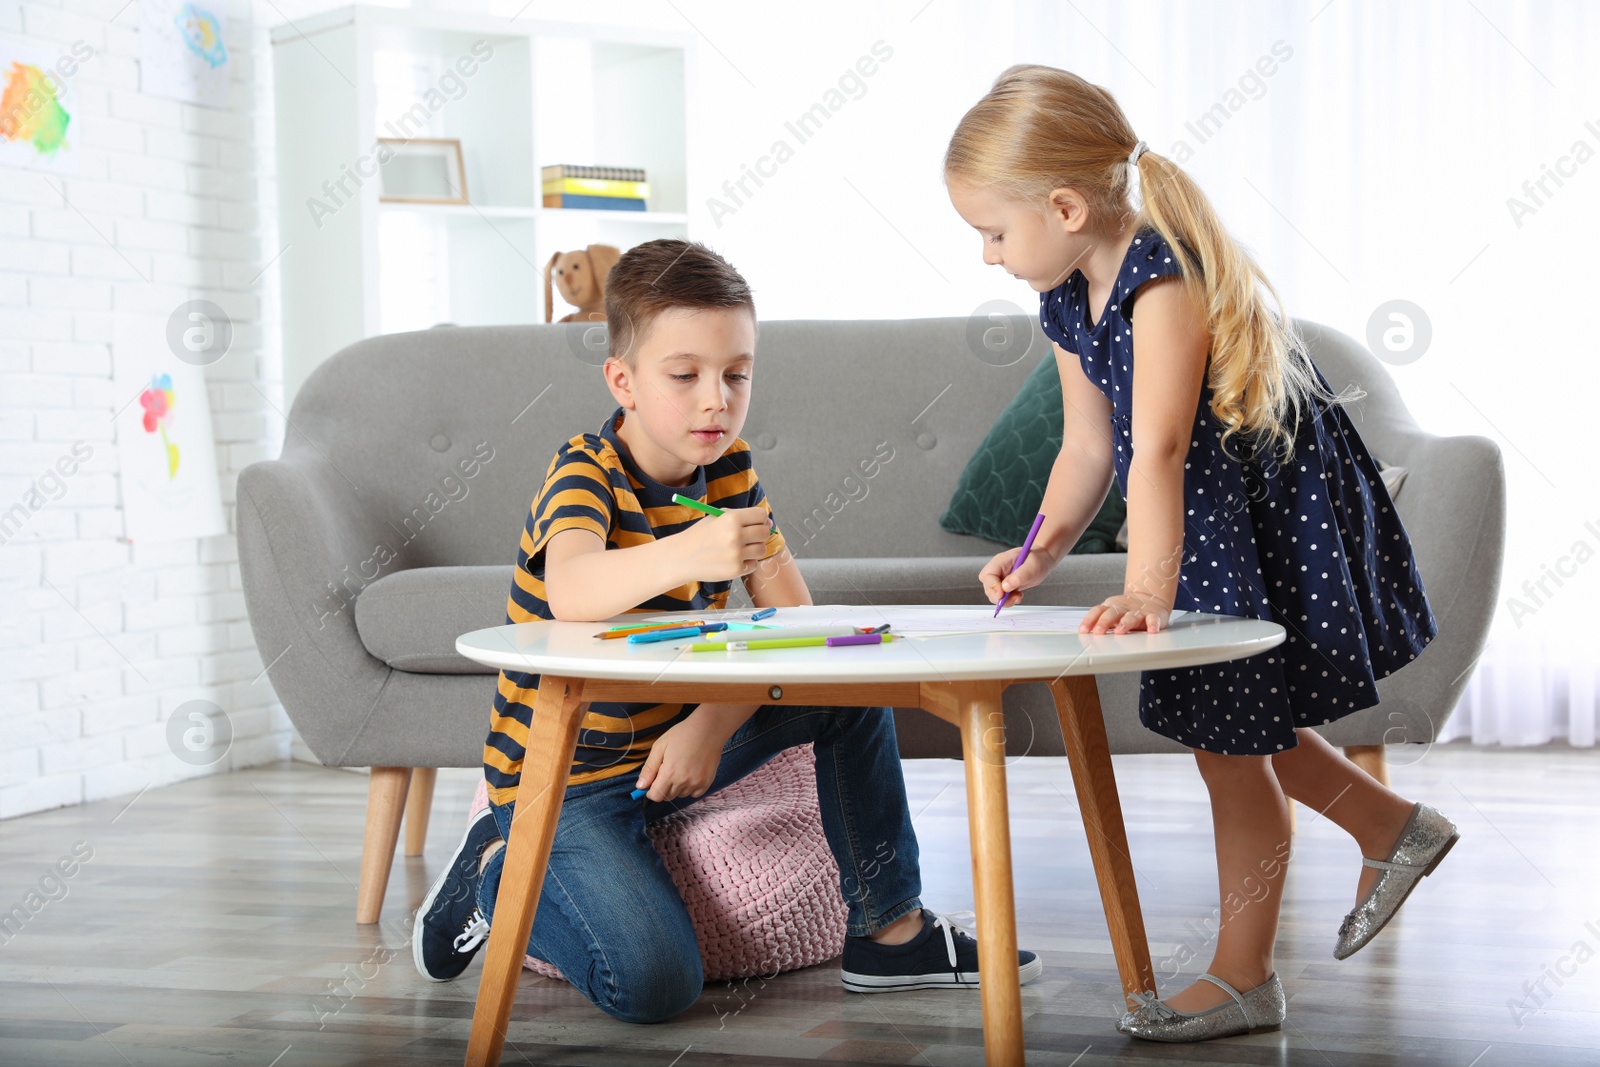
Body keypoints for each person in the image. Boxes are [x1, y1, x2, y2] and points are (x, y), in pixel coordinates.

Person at [944, 65, 1458, 1043]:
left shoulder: (1160, 274)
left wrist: (1147, 585)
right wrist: (1039, 546)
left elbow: (1164, 446)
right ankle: (1389, 829)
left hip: (1260, 512)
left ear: (1062, 205)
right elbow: (1089, 446)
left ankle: (1243, 974)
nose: (986, 254)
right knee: (1235, 729)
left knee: (1230, 742)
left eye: (993, 231)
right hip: (1209, 513)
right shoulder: (1066, 297)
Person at [411, 238, 1041, 1022]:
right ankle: (498, 870)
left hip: (673, 746)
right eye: (685, 375)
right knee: (654, 985)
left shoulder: (732, 469)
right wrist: (691, 547)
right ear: (624, 381)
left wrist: (714, 721)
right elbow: (571, 589)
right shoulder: (584, 471)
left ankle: (890, 929)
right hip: (570, 778)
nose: (717, 399)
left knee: (857, 689)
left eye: (737, 373)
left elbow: (802, 627)